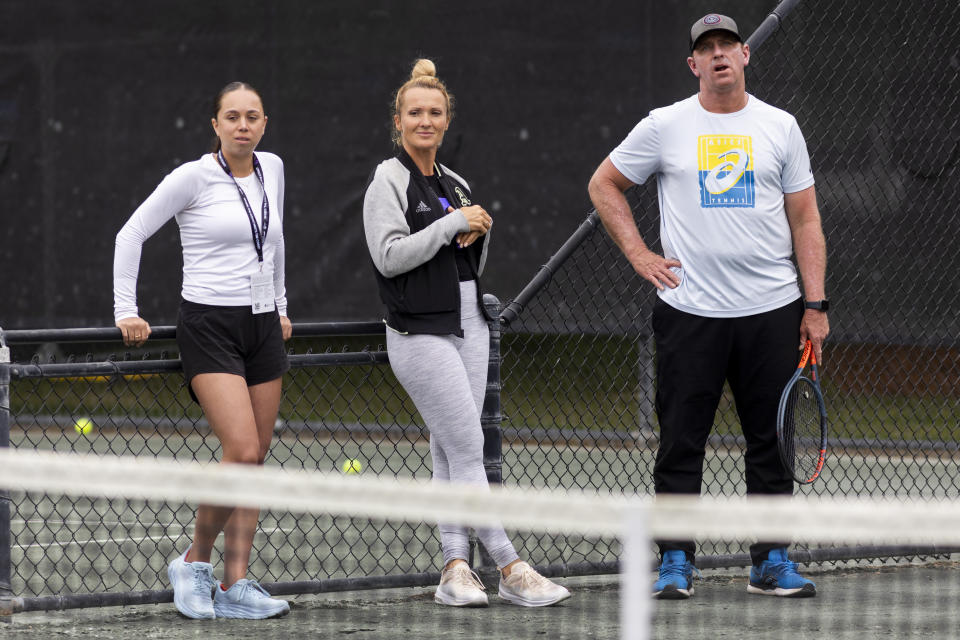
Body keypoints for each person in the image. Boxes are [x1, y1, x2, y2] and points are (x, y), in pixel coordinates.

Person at [588, 14, 829, 599]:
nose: (718, 55)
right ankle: (675, 561)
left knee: (772, 440)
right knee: (680, 439)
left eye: (727, 45)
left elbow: (806, 218)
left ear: (746, 55)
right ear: (693, 64)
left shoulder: (781, 127)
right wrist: (641, 254)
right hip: (689, 313)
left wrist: (815, 304)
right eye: (706, 49)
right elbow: (604, 184)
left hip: (773, 311)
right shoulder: (664, 125)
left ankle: (770, 559)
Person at [363, 58, 571, 608]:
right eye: (415, 113)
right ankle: (509, 564)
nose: (425, 121)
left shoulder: (454, 182)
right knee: (470, 445)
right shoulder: (387, 179)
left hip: (469, 321)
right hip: (418, 329)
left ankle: (455, 570)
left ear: (447, 120)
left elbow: (464, 258)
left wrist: (475, 232)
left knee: (450, 450)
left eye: (434, 112)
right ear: (398, 121)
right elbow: (388, 257)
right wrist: (451, 225)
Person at [113, 82, 292, 619]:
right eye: (232, 116)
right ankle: (194, 564)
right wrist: (127, 309)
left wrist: (280, 304)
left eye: (252, 117)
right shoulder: (192, 177)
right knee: (239, 450)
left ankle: (236, 584)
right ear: (215, 125)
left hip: (262, 326)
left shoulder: (273, 169)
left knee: (254, 460)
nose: (243, 125)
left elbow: (274, 241)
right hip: (208, 324)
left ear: (264, 123)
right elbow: (132, 232)